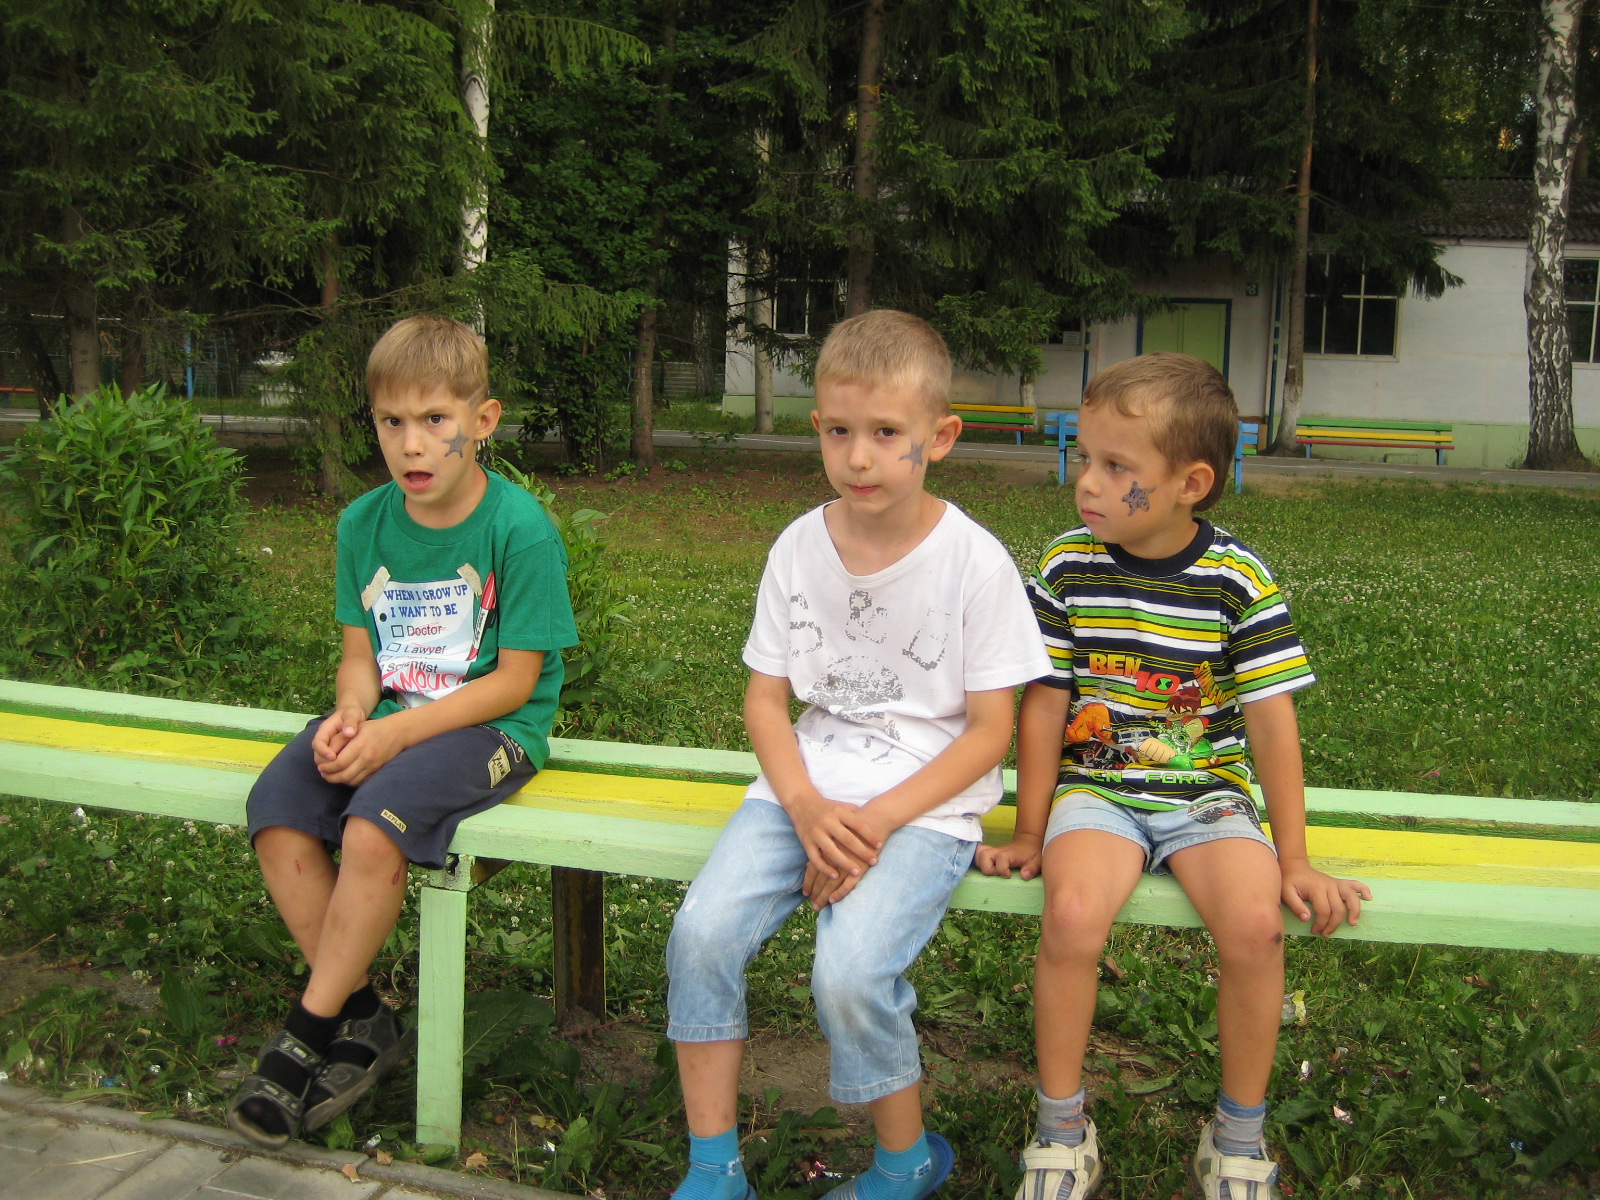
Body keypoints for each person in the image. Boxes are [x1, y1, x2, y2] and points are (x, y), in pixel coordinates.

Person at [665, 310, 1050, 1200]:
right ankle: (714, 1168)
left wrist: (874, 822)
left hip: (924, 807)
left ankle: (905, 1161)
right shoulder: (799, 546)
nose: (859, 457)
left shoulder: (975, 563)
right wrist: (806, 807)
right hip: (802, 791)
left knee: (849, 971)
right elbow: (766, 701)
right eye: (839, 432)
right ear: (817, 429)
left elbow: (990, 733)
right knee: (701, 934)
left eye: (885, 433)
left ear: (939, 438)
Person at [977, 353, 1370, 1200]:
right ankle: (1061, 1131)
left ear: (1191, 483)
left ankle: (1237, 1138)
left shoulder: (1236, 579)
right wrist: (1032, 829)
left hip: (1208, 796)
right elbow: (1044, 704)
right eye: (1087, 457)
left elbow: (1271, 722)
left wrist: (1295, 857)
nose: (1088, 481)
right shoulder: (1069, 565)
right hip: (1100, 791)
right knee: (1071, 917)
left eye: (1117, 466)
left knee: (1256, 928)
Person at [228, 315, 577, 1147]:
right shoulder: (363, 524)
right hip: (389, 720)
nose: (412, 444)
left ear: (482, 422)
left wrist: (398, 740)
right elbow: (361, 658)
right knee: (277, 809)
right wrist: (353, 715)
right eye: (392, 421)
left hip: (492, 727)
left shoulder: (519, 528)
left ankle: (306, 1032)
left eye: (435, 420)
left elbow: (516, 681)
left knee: (373, 826)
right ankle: (363, 1015)